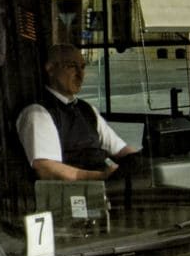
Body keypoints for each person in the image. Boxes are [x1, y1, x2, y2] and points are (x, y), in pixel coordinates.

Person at [16, 45, 135, 181]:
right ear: (50, 68)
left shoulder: (86, 109)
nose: (80, 74)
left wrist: (139, 161)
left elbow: (120, 150)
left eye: (83, 67)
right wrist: (101, 177)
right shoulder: (37, 113)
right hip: (76, 192)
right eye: (72, 66)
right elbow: (46, 168)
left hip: (103, 183)